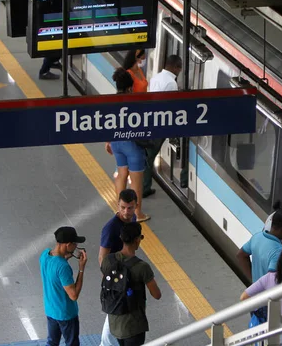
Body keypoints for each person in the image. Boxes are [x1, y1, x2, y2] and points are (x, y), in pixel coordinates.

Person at [101, 222, 161, 346]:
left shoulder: (108, 260)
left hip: (115, 322)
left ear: (121, 238)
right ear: (137, 240)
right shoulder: (142, 267)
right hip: (134, 326)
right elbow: (157, 294)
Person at [104, 68, 150, 222]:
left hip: (116, 143)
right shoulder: (134, 102)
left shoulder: (111, 102)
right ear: (130, 87)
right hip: (132, 145)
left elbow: (108, 123)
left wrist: (108, 141)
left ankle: (121, 211)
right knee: (136, 180)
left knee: (121, 175)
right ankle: (137, 214)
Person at [98, 189, 138, 346]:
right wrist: (110, 280)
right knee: (114, 310)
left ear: (136, 206)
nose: (126, 212)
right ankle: (105, 343)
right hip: (115, 277)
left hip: (126, 273)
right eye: (123, 208)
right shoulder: (111, 228)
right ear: (118, 205)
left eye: (130, 208)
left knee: (123, 309)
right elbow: (102, 257)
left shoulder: (133, 219)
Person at [142, 55, 183, 197]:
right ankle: (144, 187)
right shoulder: (172, 83)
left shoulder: (155, 77)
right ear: (175, 67)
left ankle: (144, 185)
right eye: (179, 68)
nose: (179, 71)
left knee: (149, 155)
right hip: (162, 123)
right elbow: (171, 106)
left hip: (152, 120)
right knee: (150, 155)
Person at [39, 226, 88, 346]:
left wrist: (64, 258)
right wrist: (81, 269)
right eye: (75, 243)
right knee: (72, 343)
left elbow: (53, 271)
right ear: (68, 245)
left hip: (51, 310)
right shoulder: (63, 267)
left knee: (52, 342)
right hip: (66, 314)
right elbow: (73, 295)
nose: (76, 246)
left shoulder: (45, 255)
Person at [236, 209, 282, 283]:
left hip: (256, 292)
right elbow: (273, 280)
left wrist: (254, 283)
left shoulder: (257, 237)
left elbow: (240, 255)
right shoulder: (278, 251)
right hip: (267, 293)